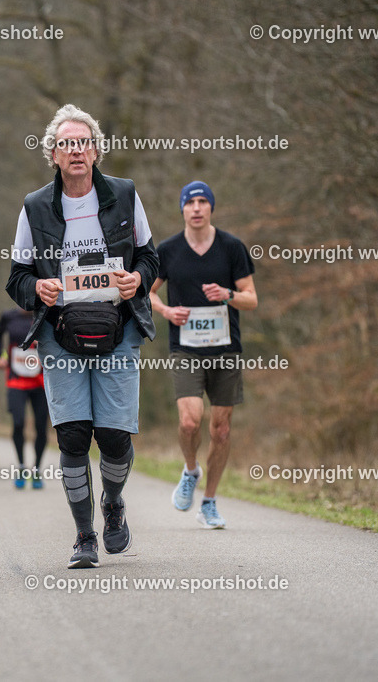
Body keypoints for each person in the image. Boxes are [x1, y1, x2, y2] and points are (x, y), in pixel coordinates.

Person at [6, 104, 158, 568]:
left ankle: (113, 503)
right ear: (52, 154)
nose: (76, 150)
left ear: (96, 151)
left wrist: (139, 279)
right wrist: (38, 287)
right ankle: (84, 535)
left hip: (119, 329)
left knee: (113, 437)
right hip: (60, 334)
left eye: (84, 142)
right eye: (66, 144)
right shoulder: (34, 207)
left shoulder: (125, 196)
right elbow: (16, 278)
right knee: (73, 435)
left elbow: (151, 257)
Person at [149, 181, 257, 528]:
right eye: (190, 202)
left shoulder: (232, 247)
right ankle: (191, 469)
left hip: (225, 348)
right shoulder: (167, 250)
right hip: (186, 348)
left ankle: (209, 502)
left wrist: (227, 294)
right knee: (189, 420)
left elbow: (251, 298)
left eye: (202, 202)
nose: (196, 208)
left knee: (221, 430)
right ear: (182, 209)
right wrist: (166, 313)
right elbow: (146, 294)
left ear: (211, 207)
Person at [0, 307, 49, 489]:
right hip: (16, 380)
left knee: (41, 427)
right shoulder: (8, 316)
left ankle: (36, 469)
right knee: (18, 423)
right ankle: (20, 466)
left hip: (40, 381)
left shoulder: (46, 312)